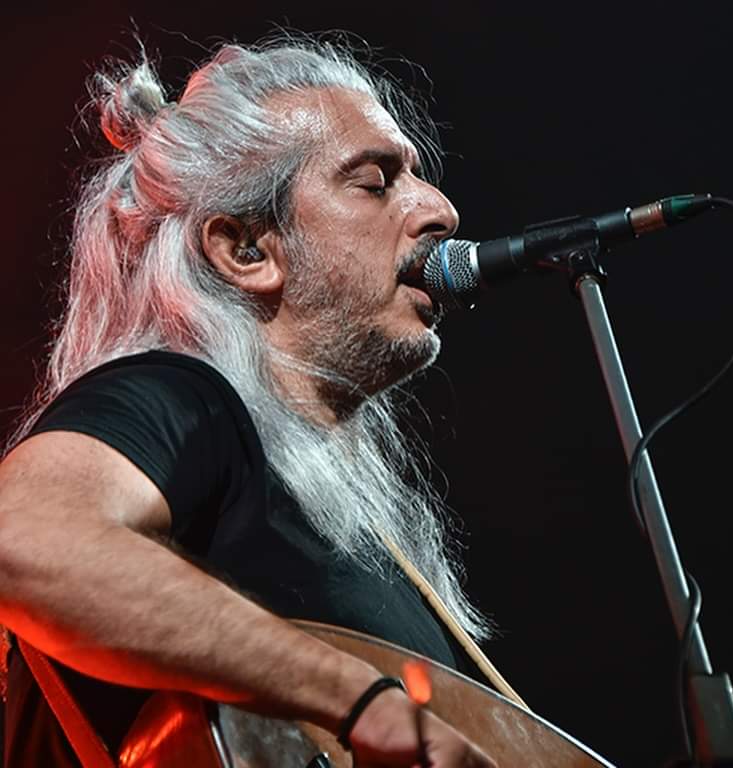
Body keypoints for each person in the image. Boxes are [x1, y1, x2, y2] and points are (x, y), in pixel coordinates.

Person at [0, 35, 498, 766]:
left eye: (418, 177)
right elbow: (22, 535)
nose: (441, 211)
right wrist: (358, 699)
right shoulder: (180, 396)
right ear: (247, 250)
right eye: (375, 182)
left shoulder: (343, 520)